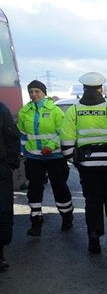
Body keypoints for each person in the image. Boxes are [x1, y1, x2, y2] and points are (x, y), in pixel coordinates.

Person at [60, 72, 107, 254]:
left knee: (92, 200)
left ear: (84, 89)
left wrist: (73, 160)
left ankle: (94, 236)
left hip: (87, 165)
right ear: (101, 89)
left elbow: (66, 137)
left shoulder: (74, 111)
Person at [16, 80, 73, 236]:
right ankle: (36, 222)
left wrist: (50, 146)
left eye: (37, 91)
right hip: (33, 158)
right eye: (31, 92)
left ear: (44, 93)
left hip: (54, 157)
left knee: (59, 187)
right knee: (34, 189)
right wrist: (21, 151)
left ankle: (67, 216)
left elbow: (62, 132)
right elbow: (22, 134)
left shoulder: (55, 111)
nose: (34, 94)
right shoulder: (24, 112)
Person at [0, 101, 19, 271]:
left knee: (3, 211)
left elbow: (12, 137)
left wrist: (11, 162)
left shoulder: (1, 109)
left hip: (1, 170)